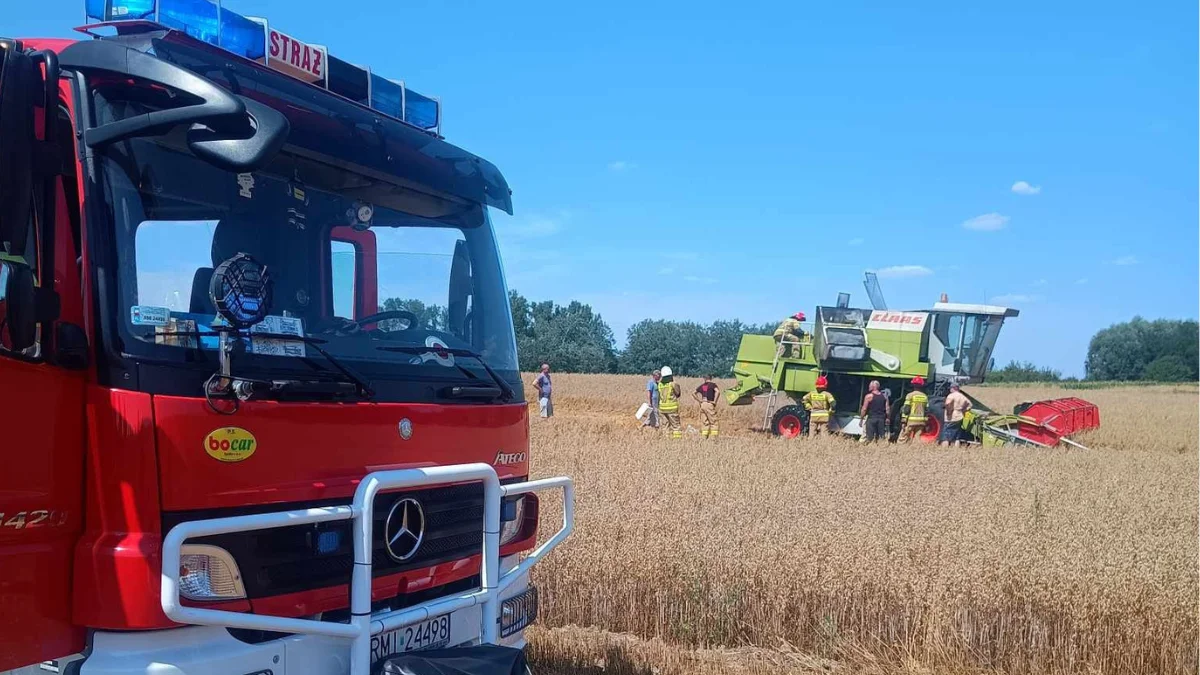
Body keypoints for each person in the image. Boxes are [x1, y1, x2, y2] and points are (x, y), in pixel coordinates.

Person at [899, 376, 929, 443]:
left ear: (913, 385)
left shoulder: (910, 395)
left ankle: (900, 451)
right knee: (917, 438)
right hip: (921, 421)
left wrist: (904, 421)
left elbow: (906, 409)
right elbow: (927, 411)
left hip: (911, 421)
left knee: (903, 437)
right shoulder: (925, 396)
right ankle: (916, 451)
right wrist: (926, 422)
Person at [859, 380, 890, 444]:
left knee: (870, 437)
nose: (868, 387)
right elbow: (887, 409)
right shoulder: (885, 397)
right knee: (881, 437)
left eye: (870, 386)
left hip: (871, 419)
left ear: (873, 387)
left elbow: (864, 409)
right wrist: (888, 418)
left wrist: (861, 419)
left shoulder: (868, 396)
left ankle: (871, 448)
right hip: (881, 419)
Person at [657, 366, 683, 439]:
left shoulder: (659, 384)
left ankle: (666, 441)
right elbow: (678, 394)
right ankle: (677, 441)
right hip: (672, 408)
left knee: (665, 426)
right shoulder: (673, 384)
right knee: (676, 426)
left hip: (662, 408)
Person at [693, 374, 721, 439]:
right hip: (709, 404)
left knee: (705, 423)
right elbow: (718, 392)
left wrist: (699, 401)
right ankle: (713, 439)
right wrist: (715, 401)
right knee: (714, 422)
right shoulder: (712, 385)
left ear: (704, 378)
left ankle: (704, 438)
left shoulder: (703, 386)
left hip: (703, 404)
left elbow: (693, 393)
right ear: (711, 378)